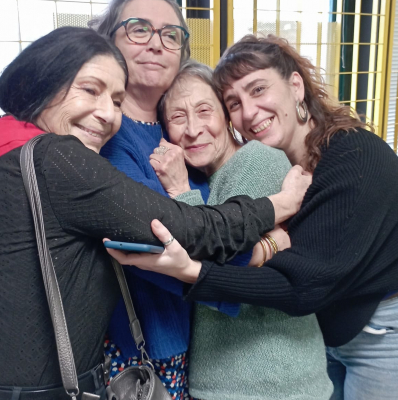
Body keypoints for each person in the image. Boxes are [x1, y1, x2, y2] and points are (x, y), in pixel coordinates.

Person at [0, 28, 310, 400]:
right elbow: (185, 230)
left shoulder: (15, 147)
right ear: (43, 82)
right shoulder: (56, 157)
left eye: (117, 101)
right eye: (91, 90)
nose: (107, 114)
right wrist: (278, 211)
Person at [107, 35, 398, 400]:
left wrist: (197, 262)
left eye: (259, 89)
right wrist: (269, 243)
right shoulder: (279, 164)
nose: (249, 112)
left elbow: (299, 284)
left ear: (295, 85)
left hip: (377, 329)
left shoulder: (349, 156)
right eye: (235, 102)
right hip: (327, 332)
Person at [148, 59, 333, 400]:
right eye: (178, 117)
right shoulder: (208, 180)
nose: (193, 129)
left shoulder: (256, 159)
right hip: (229, 380)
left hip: (272, 382)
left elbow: (216, 262)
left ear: (226, 116)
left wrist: (179, 189)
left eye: (204, 110)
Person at [89, 1, 207, 397]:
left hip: (197, 340)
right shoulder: (104, 132)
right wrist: (258, 254)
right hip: (141, 351)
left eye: (170, 35)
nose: (156, 44)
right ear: (109, 40)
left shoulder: (180, 126)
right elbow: (155, 240)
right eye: (139, 29)